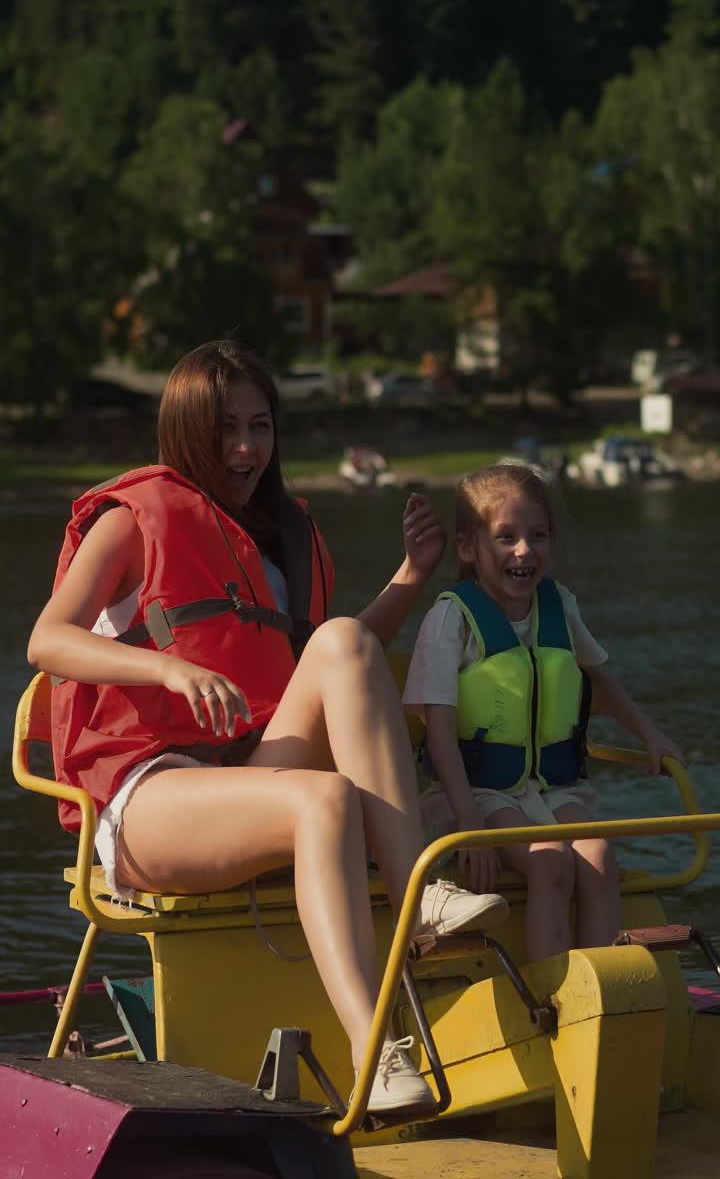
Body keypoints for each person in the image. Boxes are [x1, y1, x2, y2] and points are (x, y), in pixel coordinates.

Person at [27, 340, 508, 1116]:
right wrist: (169, 669)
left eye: (260, 425)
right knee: (319, 801)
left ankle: (418, 895)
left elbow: (329, 667)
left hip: (247, 766)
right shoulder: (132, 519)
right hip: (149, 795)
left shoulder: (285, 534)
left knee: (344, 640)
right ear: (186, 430)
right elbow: (46, 640)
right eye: (225, 428)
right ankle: (375, 1048)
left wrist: (409, 580)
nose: (246, 447)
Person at [402, 461, 685, 963]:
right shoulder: (452, 619)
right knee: (550, 861)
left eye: (538, 535)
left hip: (553, 787)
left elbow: (595, 680)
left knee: (598, 857)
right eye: (505, 536)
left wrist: (650, 734)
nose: (524, 550)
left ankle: (601, 986)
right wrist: (470, 827)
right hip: (478, 793)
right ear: (469, 547)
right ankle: (549, 993)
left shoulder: (559, 605)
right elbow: (440, 731)